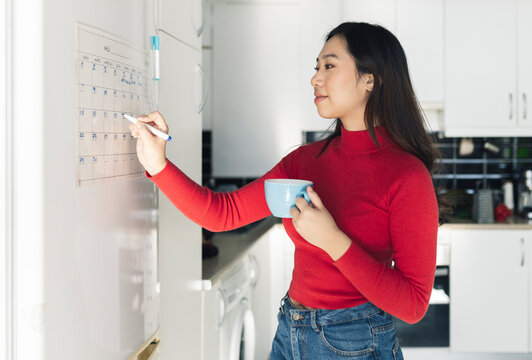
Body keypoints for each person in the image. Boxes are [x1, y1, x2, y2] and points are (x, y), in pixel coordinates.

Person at [130, 21, 450, 360]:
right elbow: (221, 214)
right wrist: (158, 164)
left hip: (355, 342)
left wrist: (332, 239)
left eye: (329, 65)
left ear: (370, 79)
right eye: (316, 68)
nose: (315, 78)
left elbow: (413, 304)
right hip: (290, 330)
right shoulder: (305, 161)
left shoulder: (406, 175)